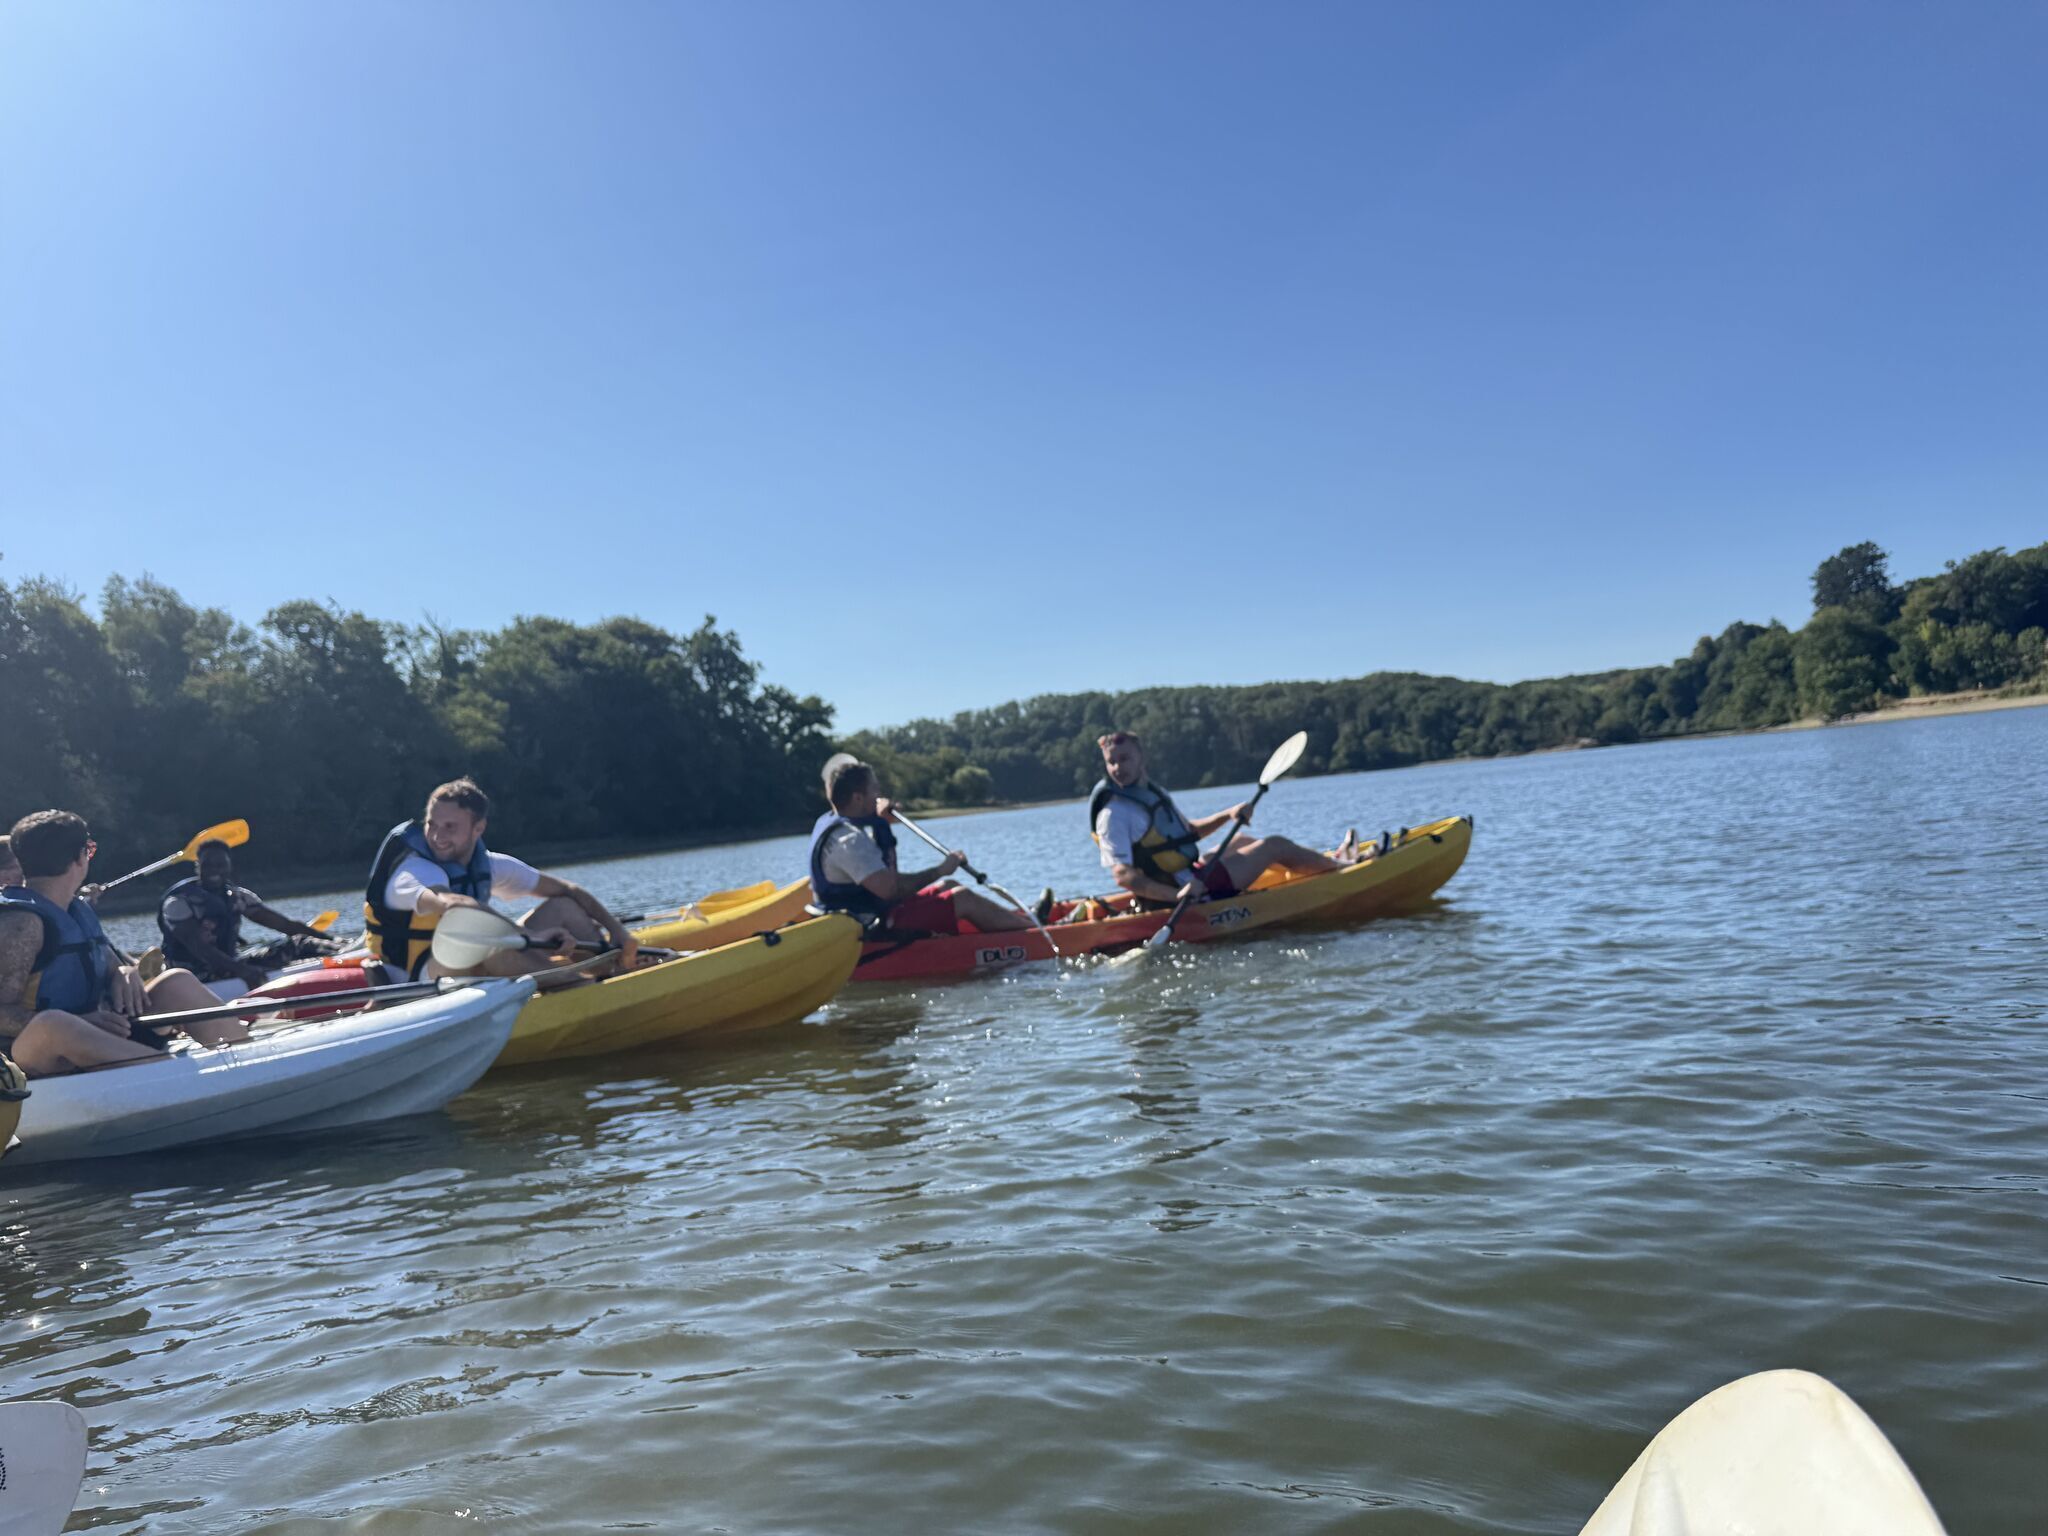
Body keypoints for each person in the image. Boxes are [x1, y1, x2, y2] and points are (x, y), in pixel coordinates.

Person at [0, 810, 252, 1076]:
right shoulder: (20, 924)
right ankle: (178, 1077)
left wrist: (123, 972)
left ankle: (250, 1064)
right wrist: (81, 1022)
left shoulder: (74, 909)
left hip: (101, 1032)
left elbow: (110, 962)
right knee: (53, 1025)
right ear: (80, 858)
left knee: (177, 982)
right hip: (34, 1057)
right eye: (89, 849)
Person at [362, 778, 638, 980]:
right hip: (418, 975)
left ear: (478, 828)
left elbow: (568, 889)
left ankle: (612, 972)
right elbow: (457, 906)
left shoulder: (490, 865)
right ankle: (577, 986)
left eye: (450, 827)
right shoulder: (414, 871)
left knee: (563, 906)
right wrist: (530, 936)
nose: (437, 836)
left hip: (467, 957)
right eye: (431, 824)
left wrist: (617, 930)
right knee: (488, 943)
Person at [1090, 731, 1368, 908]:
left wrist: (1228, 814)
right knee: (1274, 845)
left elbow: (1189, 832)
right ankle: (1344, 868)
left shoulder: (1153, 793)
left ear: (1142, 758)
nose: (1117, 767)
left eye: (1124, 759)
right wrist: (1176, 895)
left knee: (1242, 839)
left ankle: (1320, 864)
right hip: (1184, 893)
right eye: (1111, 762)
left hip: (1188, 875)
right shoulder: (1114, 814)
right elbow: (1123, 875)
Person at [808, 757, 1032, 935]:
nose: (880, 796)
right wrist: (940, 870)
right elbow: (891, 891)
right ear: (858, 798)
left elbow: (883, 882)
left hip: (872, 912)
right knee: (961, 897)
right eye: (874, 790)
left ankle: (1021, 919)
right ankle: (1034, 932)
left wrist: (879, 822)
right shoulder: (849, 841)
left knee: (949, 886)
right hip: (873, 928)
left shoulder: (828, 821)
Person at [157, 841, 339, 991]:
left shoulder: (238, 897)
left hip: (231, 966)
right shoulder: (177, 904)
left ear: (229, 866)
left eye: (220, 865)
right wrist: (243, 971)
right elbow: (199, 948)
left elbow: (285, 925)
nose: (214, 870)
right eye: (207, 865)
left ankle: (342, 953)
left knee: (299, 943)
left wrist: (329, 939)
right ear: (198, 867)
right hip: (192, 978)